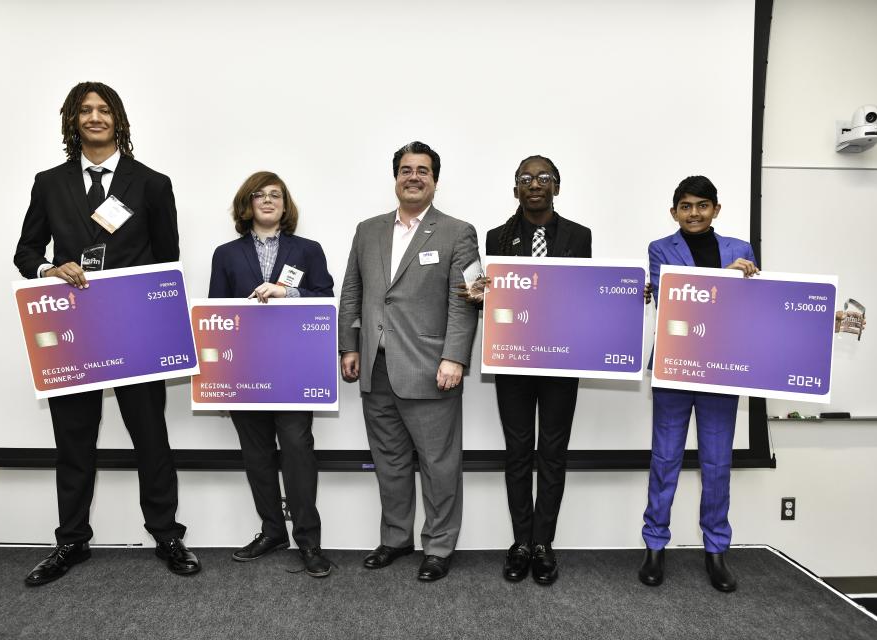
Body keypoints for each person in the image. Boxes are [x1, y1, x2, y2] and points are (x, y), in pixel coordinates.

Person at [14, 82, 198, 585]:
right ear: (73, 121)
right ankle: (70, 542)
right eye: (85, 110)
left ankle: (166, 535)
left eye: (103, 109)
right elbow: (25, 253)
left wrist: (164, 330)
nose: (94, 117)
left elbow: (167, 261)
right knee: (73, 441)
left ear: (118, 119)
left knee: (151, 437)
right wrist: (49, 269)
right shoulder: (48, 183)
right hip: (73, 330)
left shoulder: (152, 184)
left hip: (135, 330)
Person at [338, 141, 480, 581]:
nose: (413, 176)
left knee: (439, 464)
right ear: (395, 177)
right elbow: (352, 292)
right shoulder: (368, 229)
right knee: (390, 461)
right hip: (377, 368)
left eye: (423, 170)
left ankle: (438, 546)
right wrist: (349, 346)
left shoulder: (458, 232)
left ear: (435, 180)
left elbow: (466, 302)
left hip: (430, 367)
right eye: (405, 169)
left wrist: (454, 357)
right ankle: (396, 538)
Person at [208, 171, 335, 578]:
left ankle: (309, 540)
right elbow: (215, 315)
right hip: (244, 371)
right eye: (258, 195)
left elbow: (327, 300)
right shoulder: (225, 254)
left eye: (275, 195)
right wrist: (221, 383)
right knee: (257, 456)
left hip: (294, 371)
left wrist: (288, 292)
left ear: (285, 205)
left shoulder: (308, 250)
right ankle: (271, 530)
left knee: (298, 451)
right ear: (246, 205)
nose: (267, 201)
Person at [638, 175, 758, 593]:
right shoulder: (659, 248)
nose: (694, 213)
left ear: (716, 210)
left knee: (717, 465)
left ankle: (716, 551)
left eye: (702, 205)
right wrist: (725, 278)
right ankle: (655, 546)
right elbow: (674, 297)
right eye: (686, 206)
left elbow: (754, 306)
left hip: (722, 368)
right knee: (665, 461)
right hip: (675, 366)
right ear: (674, 212)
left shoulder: (741, 250)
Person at [479, 156, 592, 585]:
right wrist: (480, 296)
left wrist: (620, 298)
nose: (535, 184)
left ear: (557, 187)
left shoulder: (579, 236)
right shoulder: (496, 238)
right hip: (513, 362)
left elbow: (587, 294)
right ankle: (521, 542)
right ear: (516, 191)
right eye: (526, 179)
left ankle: (544, 543)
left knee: (553, 453)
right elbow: (491, 299)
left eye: (544, 178)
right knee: (517, 452)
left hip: (562, 362)